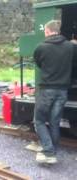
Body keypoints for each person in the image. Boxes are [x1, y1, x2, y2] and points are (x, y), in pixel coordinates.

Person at [33, 20, 74, 164]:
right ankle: (52, 151)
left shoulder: (40, 48)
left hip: (46, 90)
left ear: (48, 31)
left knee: (39, 121)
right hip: (62, 91)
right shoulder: (71, 47)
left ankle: (48, 152)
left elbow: (39, 64)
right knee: (54, 122)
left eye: (45, 31)